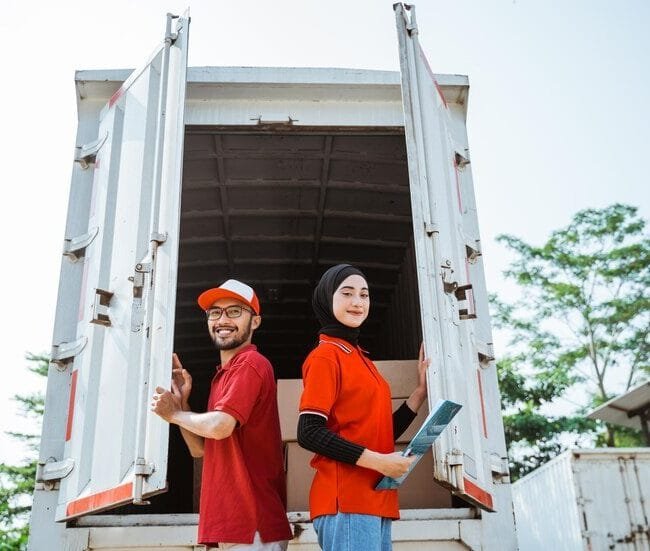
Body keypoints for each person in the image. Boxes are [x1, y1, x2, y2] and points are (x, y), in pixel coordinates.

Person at [151, 279, 292, 550]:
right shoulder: (223, 376)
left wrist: (172, 415)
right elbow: (200, 450)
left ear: (255, 322)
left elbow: (221, 426)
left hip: (252, 523)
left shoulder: (250, 364)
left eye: (235, 311)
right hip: (231, 526)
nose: (223, 319)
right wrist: (182, 406)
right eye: (215, 312)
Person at [297, 264, 429, 551]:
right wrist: (380, 462)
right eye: (347, 293)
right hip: (346, 501)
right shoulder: (326, 356)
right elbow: (309, 432)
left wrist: (419, 394)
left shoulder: (360, 358)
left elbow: (376, 431)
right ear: (327, 299)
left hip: (375, 500)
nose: (358, 302)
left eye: (364, 295)